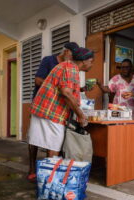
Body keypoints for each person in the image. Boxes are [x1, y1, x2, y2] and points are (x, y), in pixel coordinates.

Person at [27, 46, 94, 180]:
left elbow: (66, 90)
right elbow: (66, 93)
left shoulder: (67, 65)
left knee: (49, 145)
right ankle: (50, 182)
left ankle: (46, 179)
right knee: (53, 147)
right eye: (91, 61)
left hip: (43, 109)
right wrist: (80, 114)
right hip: (51, 112)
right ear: (85, 61)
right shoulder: (71, 68)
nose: (91, 64)